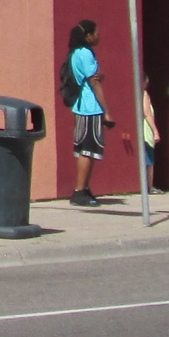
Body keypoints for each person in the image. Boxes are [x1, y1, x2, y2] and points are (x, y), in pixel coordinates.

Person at [67, 18, 107, 205]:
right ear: (88, 36)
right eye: (96, 32)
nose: (99, 36)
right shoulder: (84, 54)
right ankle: (78, 191)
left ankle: (85, 187)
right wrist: (106, 111)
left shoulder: (79, 53)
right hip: (89, 108)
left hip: (85, 107)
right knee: (86, 150)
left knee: (90, 151)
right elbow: (94, 82)